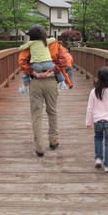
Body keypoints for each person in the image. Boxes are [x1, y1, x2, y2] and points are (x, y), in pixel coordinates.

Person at [18, 24, 68, 157]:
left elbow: (22, 62)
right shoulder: (54, 44)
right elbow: (64, 61)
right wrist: (52, 72)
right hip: (51, 82)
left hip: (35, 83)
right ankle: (53, 140)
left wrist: (34, 73)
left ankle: (40, 147)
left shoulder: (30, 45)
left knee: (36, 115)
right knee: (52, 111)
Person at [85, 66, 108, 172]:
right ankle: (107, 165)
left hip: (97, 121)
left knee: (98, 139)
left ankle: (98, 159)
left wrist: (88, 121)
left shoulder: (94, 91)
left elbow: (90, 108)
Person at [19, 28, 69, 93]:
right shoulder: (47, 42)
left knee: (27, 73)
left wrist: (36, 74)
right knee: (57, 70)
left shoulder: (30, 44)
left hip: (35, 69)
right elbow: (63, 60)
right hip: (49, 67)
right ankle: (62, 83)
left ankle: (24, 88)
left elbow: (22, 59)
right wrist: (52, 72)